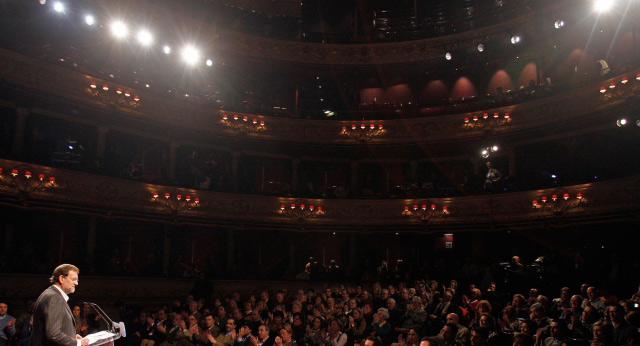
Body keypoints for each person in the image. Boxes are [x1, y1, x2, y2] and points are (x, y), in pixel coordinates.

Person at [32, 264, 89, 346]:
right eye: (73, 279)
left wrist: (71, 337)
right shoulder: (54, 297)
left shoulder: (51, 294)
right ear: (62, 278)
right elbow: (53, 334)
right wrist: (78, 343)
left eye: (77, 280)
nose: (76, 283)